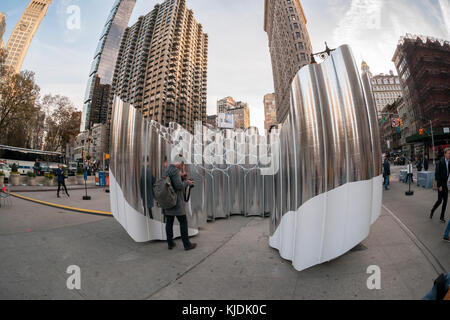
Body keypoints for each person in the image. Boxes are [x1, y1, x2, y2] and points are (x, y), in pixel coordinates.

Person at [162, 154, 196, 251]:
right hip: (176, 202)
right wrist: (188, 183)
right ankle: (187, 244)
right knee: (183, 222)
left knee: (169, 222)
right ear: (179, 163)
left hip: (167, 201)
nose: (182, 166)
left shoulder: (167, 169)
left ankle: (170, 243)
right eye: (182, 164)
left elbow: (169, 181)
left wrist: (181, 176)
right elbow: (178, 186)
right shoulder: (175, 170)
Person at [430, 148, 450, 224]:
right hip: (441, 184)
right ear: (445, 154)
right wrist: (439, 185)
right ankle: (432, 210)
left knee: (445, 201)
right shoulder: (440, 162)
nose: (449, 155)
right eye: (448, 153)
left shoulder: (449, 162)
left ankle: (442, 217)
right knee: (439, 201)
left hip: (446, 184)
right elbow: (437, 174)